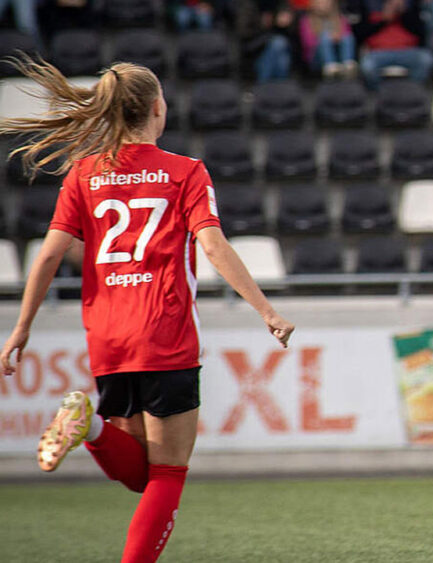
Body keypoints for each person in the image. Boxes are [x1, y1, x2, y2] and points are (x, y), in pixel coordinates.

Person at [0, 59, 295, 563]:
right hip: (165, 333)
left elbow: (48, 253)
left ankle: (88, 425)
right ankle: (89, 428)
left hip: (108, 339)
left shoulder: (85, 173)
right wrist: (266, 310)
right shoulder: (186, 172)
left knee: (141, 474)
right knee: (167, 474)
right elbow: (213, 244)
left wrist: (20, 329)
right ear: (158, 109)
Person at [353, 0, 433, 88]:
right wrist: (384, 20)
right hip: (379, 52)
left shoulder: (411, 5)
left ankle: (411, 90)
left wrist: (404, 13)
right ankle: (379, 94)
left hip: (408, 51)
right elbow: (360, 34)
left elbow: (421, 33)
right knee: (367, 65)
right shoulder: (369, 6)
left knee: (426, 59)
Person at [300, 0, 358, 77]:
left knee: (347, 36)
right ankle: (330, 65)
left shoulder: (340, 18)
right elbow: (308, 43)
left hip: (338, 53)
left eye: (326, 2)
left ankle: (347, 63)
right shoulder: (306, 20)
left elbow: (346, 35)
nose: (323, 5)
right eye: (320, 3)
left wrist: (338, 37)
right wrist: (329, 38)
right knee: (324, 37)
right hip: (316, 57)